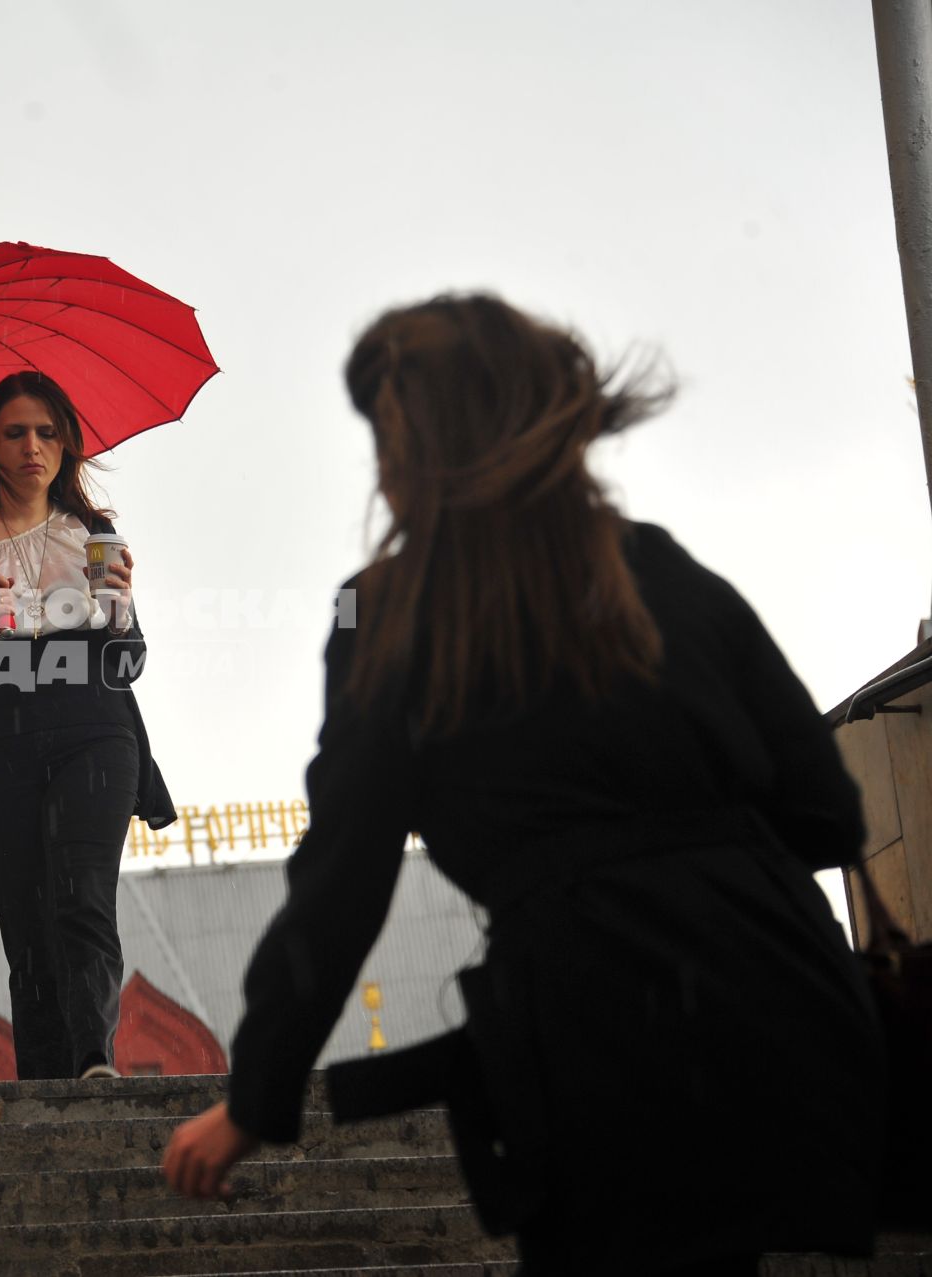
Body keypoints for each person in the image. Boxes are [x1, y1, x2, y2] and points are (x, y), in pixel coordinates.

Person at [162, 296, 886, 1274]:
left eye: (385, 433)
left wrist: (256, 1096)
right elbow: (828, 813)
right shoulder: (664, 568)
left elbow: (344, 873)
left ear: (420, 444)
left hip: (591, 1025)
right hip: (784, 1005)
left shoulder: (378, 609)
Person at [0, 369, 176, 1080]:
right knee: (27, 930)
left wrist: (117, 608)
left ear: (67, 444)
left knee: (83, 898)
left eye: (47, 432)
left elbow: (131, 660)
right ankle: (46, 1090)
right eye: (15, 432)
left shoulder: (94, 533)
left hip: (93, 732)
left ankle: (93, 1062)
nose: (32, 447)